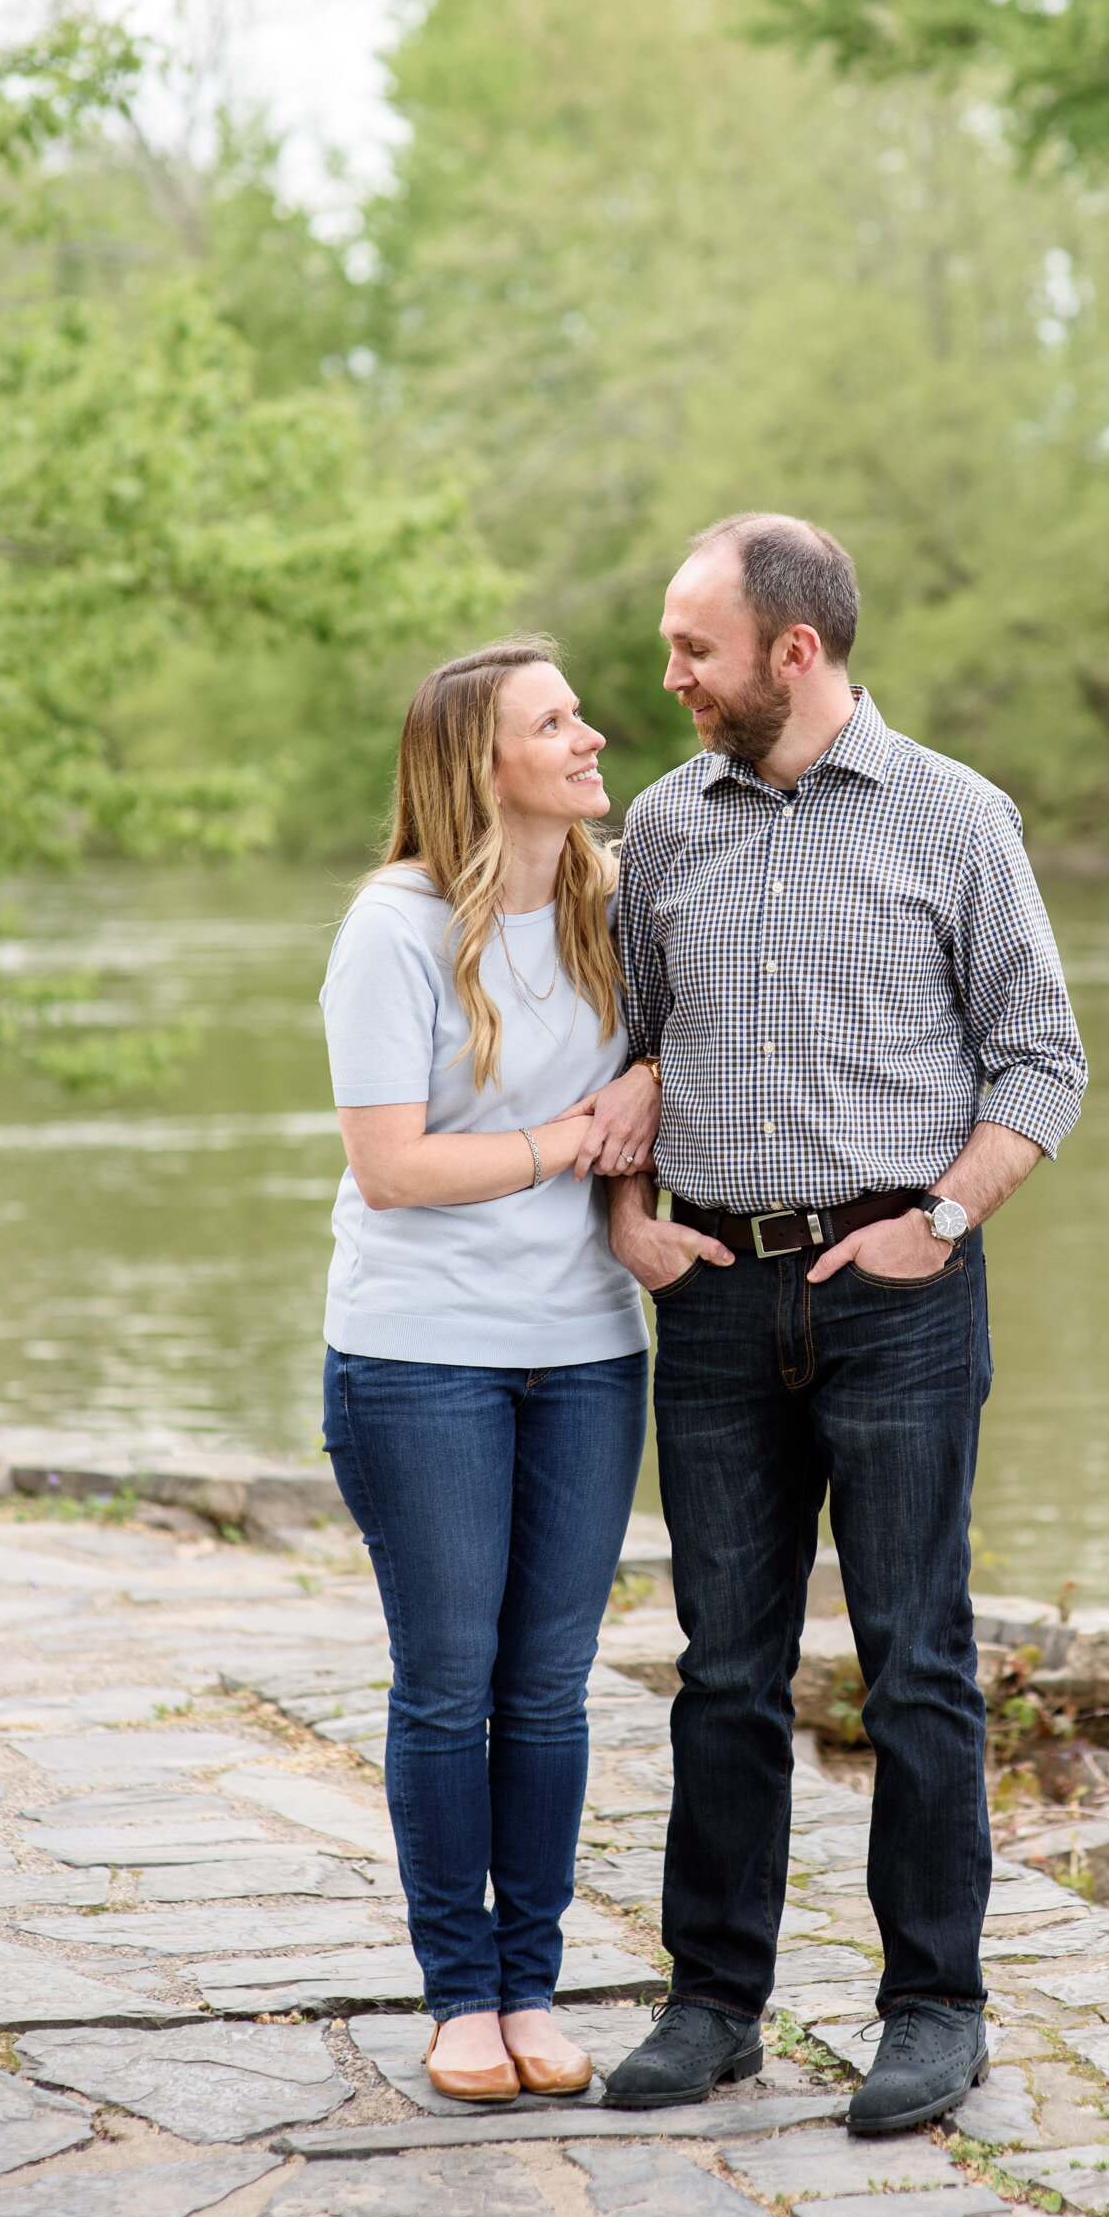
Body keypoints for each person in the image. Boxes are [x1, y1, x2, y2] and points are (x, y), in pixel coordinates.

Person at [600, 514, 1088, 2135]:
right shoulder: (662, 834)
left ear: (791, 652)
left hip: (900, 1301)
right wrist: (635, 1230)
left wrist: (937, 1223)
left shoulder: (956, 818)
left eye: (694, 649)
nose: (667, 678)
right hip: (719, 1305)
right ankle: (713, 2003)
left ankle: (934, 2009)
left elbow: (1042, 1060)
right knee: (722, 1670)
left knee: (914, 1667)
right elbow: (629, 1070)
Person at [319, 637, 662, 2104]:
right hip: (420, 1360)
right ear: (484, 764)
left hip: (585, 1352)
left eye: (579, 713)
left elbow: (656, 1087)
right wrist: (568, 1140)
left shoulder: (609, 903)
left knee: (549, 1690)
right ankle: (460, 1997)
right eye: (555, 721)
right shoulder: (390, 928)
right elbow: (392, 1166)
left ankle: (534, 1983)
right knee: (447, 1685)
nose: (592, 737)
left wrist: (639, 1131)